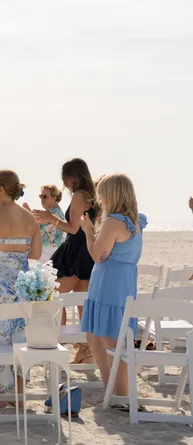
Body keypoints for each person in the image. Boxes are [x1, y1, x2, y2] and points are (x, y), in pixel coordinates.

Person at [80, 173, 146, 408]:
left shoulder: (114, 221)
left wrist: (88, 231)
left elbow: (98, 255)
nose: (99, 196)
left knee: (108, 337)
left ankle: (120, 395)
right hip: (122, 281)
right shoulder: (135, 220)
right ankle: (113, 391)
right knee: (99, 334)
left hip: (109, 281)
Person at [0, 170, 42, 398]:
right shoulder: (29, 218)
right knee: (20, 338)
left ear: (1, 189)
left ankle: (3, 397)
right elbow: (35, 253)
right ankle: (20, 394)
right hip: (21, 287)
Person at [32, 158, 97, 363]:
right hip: (86, 251)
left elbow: (72, 228)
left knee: (53, 296)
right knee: (82, 302)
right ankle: (86, 350)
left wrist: (49, 217)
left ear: (73, 176)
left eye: (66, 177)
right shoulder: (92, 194)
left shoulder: (79, 196)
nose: (65, 182)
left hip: (74, 251)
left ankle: (56, 343)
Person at [23, 184, 66, 264]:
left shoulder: (54, 213)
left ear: (54, 197)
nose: (42, 199)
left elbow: (37, 227)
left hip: (49, 252)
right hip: (48, 251)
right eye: (41, 196)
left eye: (45, 196)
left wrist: (28, 213)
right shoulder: (52, 211)